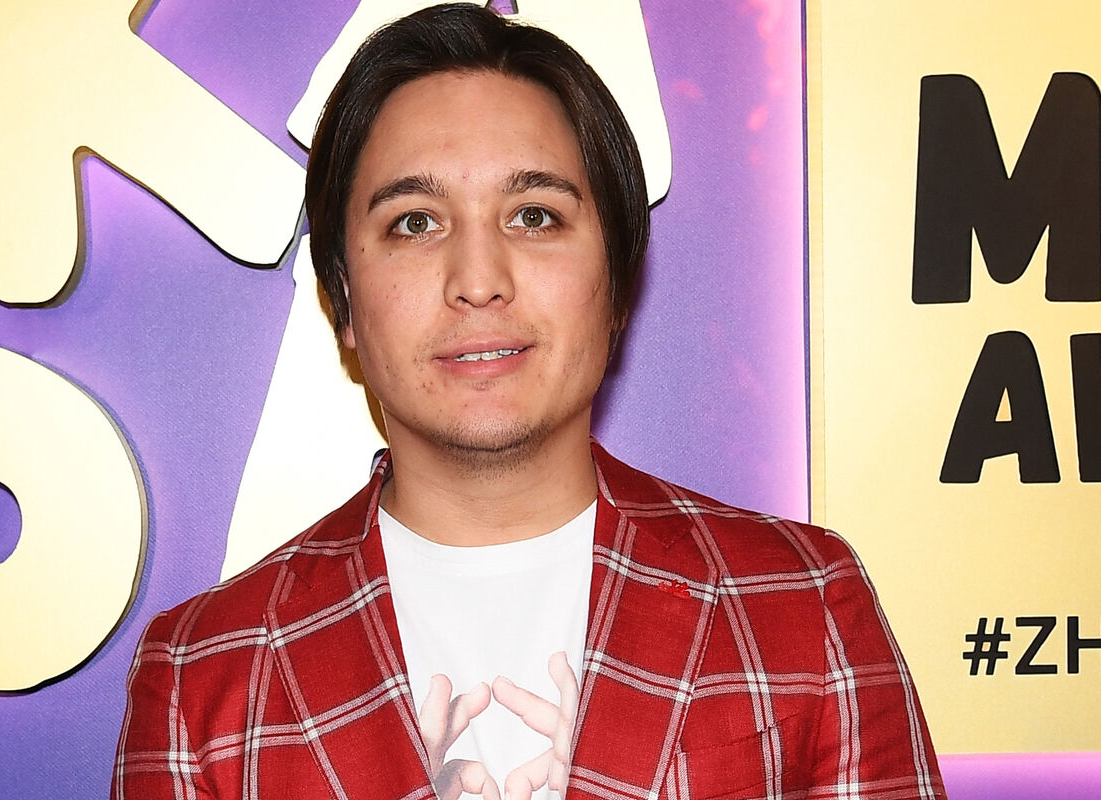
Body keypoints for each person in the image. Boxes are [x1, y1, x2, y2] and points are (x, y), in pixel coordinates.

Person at [111, 4, 945, 799]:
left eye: (534, 216)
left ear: (616, 280)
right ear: (343, 295)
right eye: (414, 223)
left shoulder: (803, 604)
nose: (478, 281)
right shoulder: (204, 677)